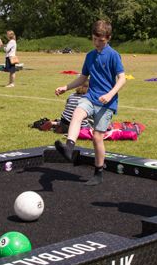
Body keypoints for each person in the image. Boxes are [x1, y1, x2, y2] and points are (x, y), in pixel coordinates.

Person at [53, 20, 126, 186]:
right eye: (94, 39)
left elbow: (122, 79)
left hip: (107, 102)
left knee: (97, 137)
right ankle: (69, 148)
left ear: (108, 38)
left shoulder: (114, 55)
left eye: (101, 40)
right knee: (77, 114)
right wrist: (66, 86)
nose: (97, 43)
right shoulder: (90, 56)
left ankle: (98, 172)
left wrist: (110, 95)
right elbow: (83, 78)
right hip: (91, 96)